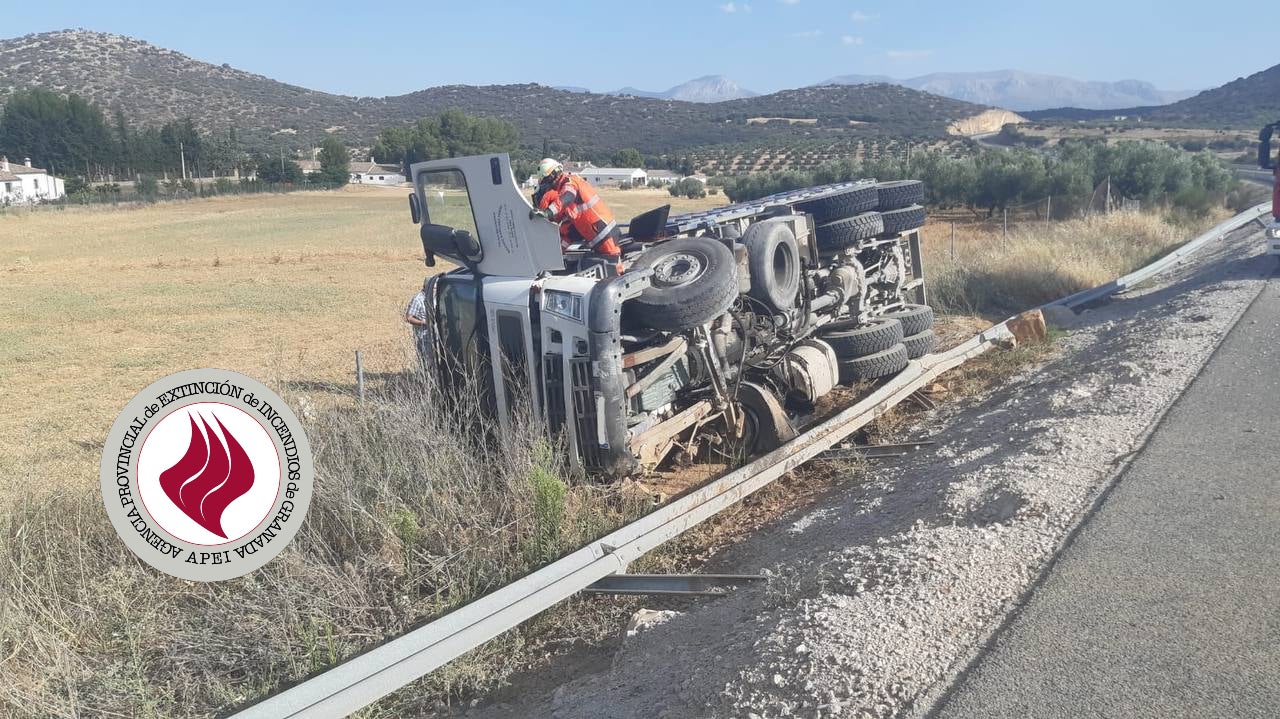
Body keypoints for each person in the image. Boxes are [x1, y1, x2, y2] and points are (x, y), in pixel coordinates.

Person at [532, 159, 625, 271]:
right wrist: (555, 254)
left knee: (613, 267)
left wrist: (548, 212)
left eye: (547, 179)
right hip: (597, 235)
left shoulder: (570, 183)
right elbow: (570, 230)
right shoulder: (565, 190)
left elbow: (566, 197)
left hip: (603, 232)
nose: (547, 183)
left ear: (553, 175)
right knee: (606, 266)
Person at [405, 278, 433, 368]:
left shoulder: (435, 297)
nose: (435, 289)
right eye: (434, 287)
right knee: (426, 361)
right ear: (426, 287)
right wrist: (423, 323)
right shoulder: (418, 300)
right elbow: (409, 318)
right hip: (423, 337)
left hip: (436, 336)